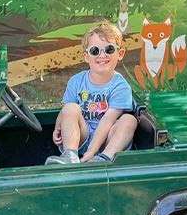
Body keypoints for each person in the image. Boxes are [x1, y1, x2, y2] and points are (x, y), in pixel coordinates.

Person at [45, 21, 138, 164]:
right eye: (95, 51)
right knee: (71, 107)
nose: (102, 55)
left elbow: (108, 120)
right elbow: (66, 111)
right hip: (81, 136)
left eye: (109, 49)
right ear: (86, 56)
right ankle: (70, 155)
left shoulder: (121, 86)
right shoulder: (76, 81)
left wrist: (91, 152)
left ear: (120, 54)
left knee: (129, 120)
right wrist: (58, 127)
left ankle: (104, 158)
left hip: (108, 140)